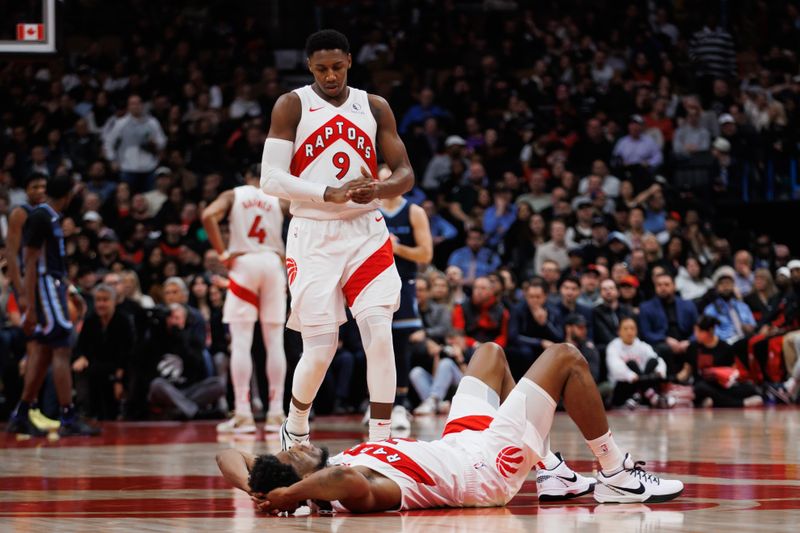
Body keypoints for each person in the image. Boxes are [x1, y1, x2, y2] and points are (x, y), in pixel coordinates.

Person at [216, 343, 684, 513]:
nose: (298, 447)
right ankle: (616, 473)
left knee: (490, 354)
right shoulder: (354, 491)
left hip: (459, 442)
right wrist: (289, 497)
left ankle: (552, 470)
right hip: (484, 472)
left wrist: (259, 490)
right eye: (291, 457)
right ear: (301, 480)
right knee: (565, 357)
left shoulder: (320, 475)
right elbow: (343, 479)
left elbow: (225, 458)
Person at [259, 30, 412, 446]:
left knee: (380, 331)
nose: (330, 75)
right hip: (313, 235)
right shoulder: (292, 105)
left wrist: (378, 189)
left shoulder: (374, 105)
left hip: (366, 230)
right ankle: (295, 425)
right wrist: (328, 192)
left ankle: (381, 441)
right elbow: (270, 179)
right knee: (321, 349)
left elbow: (405, 173)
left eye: (337, 67)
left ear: (349, 61)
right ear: (310, 66)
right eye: (322, 68)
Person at [7, 173, 99, 437]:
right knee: (62, 348)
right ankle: (68, 416)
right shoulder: (39, 216)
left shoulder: (50, 216)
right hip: (45, 289)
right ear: (68, 196)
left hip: (54, 286)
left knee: (47, 352)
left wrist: (68, 287)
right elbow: (30, 260)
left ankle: (21, 414)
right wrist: (30, 303)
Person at [202, 164, 289, 434]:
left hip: (244, 262)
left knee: (241, 341)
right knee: (274, 342)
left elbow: (208, 215)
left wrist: (222, 253)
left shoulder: (233, 195)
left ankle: (243, 414)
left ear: (246, 177)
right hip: (273, 263)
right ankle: (276, 413)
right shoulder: (279, 197)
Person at [377, 166, 433, 428]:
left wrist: (396, 247)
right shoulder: (368, 209)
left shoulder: (414, 211)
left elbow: (426, 254)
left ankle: (400, 404)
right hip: (372, 283)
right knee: (374, 344)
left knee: (400, 344)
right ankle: (376, 403)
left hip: (402, 282)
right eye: (383, 181)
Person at [3, 172, 50, 430]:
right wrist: (21, 292)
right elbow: (12, 253)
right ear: (26, 190)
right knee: (35, 349)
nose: (40, 190)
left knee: (43, 350)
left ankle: (29, 408)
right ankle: (25, 411)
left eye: (44, 185)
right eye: (35, 186)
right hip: (28, 289)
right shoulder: (20, 213)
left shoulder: (46, 213)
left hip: (41, 287)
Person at [147, 303, 226, 419]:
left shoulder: (192, 339)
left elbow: (197, 366)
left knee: (219, 384)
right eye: (170, 318)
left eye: (177, 318)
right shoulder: (158, 337)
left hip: (189, 390)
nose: (173, 322)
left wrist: (181, 338)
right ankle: (195, 413)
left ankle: (177, 411)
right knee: (156, 384)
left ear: (184, 320)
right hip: (167, 390)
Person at [72, 283, 135, 420]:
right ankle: (85, 412)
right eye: (98, 300)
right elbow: (81, 346)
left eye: (105, 300)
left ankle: (122, 410)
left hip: (118, 366)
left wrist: (118, 378)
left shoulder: (123, 321)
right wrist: (81, 357)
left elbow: (127, 352)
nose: (101, 304)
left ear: (114, 301)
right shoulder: (90, 321)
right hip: (95, 365)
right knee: (80, 368)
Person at [683, 315, 763, 408]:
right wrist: (673, 380)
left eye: (699, 331)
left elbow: (733, 372)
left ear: (710, 331)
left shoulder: (725, 348)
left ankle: (712, 401)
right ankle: (740, 403)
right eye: (695, 331)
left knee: (749, 389)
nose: (696, 334)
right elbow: (686, 371)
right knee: (700, 388)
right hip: (703, 385)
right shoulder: (692, 348)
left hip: (721, 386)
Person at [606, 318, 673, 409]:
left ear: (636, 331)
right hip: (623, 385)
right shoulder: (613, 346)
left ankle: (638, 396)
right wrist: (631, 375)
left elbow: (657, 360)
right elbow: (615, 367)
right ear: (619, 331)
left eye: (632, 328)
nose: (629, 332)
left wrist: (660, 371)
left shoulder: (642, 346)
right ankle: (650, 396)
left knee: (653, 361)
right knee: (632, 364)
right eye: (625, 329)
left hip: (641, 381)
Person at [638, 273, 698, 375]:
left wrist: (689, 341)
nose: (663, 288)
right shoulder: (646, 307)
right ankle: (670, 380)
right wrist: (665, 339)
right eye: (659, 285)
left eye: (666, 284)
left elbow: (698, 328)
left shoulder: (688, 305)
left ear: (674, 286)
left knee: (695, 346)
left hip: (685, 340)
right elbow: (646, 333)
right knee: (663, 349)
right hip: (662, 342)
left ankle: (694, 378)